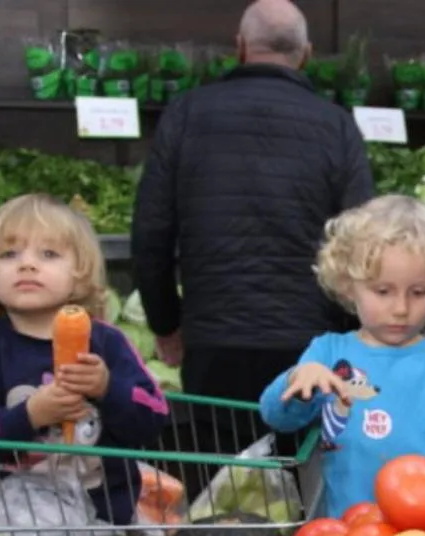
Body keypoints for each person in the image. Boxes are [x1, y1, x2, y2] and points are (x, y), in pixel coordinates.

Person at [130, 0, 374, 484]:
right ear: (305, 54)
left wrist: (165, 323)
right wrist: (351, 330)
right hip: (307, 344)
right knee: (301, 478)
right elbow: (361, 239)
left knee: (218, 484)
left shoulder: (186, 114)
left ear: (240, 48)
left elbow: (152, 231)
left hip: (213, 337)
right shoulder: (336, 125)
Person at [259, 195, 425, 518]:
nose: (401, 308)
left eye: (419, 292)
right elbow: (277, 416)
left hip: (421, 531)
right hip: (345, 533)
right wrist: (297, 381)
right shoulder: (327, 353)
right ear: (348, 285)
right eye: (382, 291)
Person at [0, 194, 169, 525]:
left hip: (104, 519)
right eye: (9, 254)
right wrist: (30, 415)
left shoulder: (106, 343)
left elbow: (153, 417)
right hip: (8, 523)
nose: (27, 264)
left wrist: (108, 388)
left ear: (80, 273)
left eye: (49, 254)